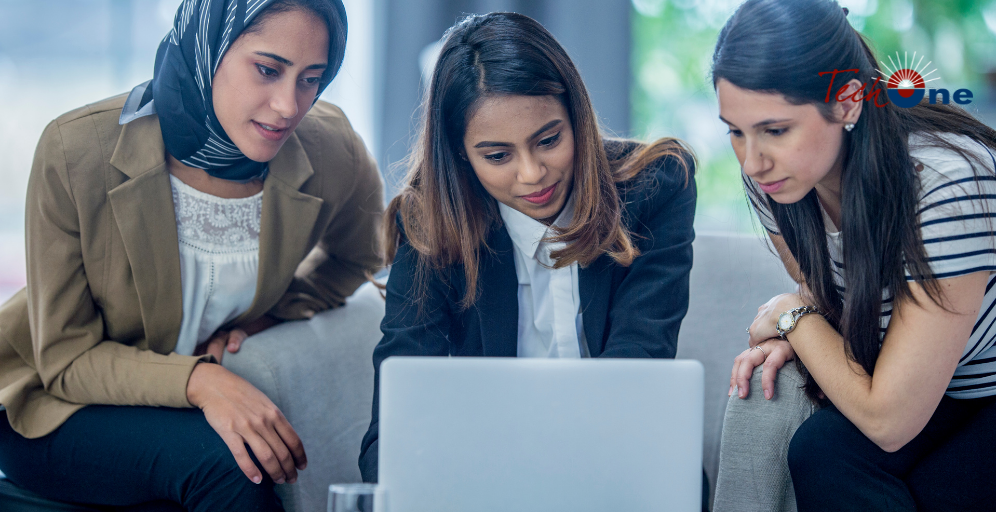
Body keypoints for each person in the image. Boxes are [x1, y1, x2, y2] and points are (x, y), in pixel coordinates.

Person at [0, 0, 383, 510]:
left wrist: (273, 317)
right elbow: (67, 360)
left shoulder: (331, 148)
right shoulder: (76, 151)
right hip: (57, 404)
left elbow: (359, 257)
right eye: (267, 70)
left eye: (311, 79)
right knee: (231, 468)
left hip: (180, 407)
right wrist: (202, 381)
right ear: (208, 47)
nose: (289, 106)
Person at [357, 12, 698, 483]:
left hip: (620, 465)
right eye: (498, 155)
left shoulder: (656, 187)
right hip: (487, 478)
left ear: (577, 118)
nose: (532, 174)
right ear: (460, 156)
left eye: (549, 140)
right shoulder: (431, 224)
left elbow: (636, 370)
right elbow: (394, 425)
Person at [710, 1, 996, 511]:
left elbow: (888, 420)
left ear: (849, 103)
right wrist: (808, 328)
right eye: (735, 131)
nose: (752, 161)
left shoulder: (948, 187)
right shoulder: (780, 181)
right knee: (820, 452)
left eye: (775, 130)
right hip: (943, 384)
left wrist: (791, 316)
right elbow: (827, 298)